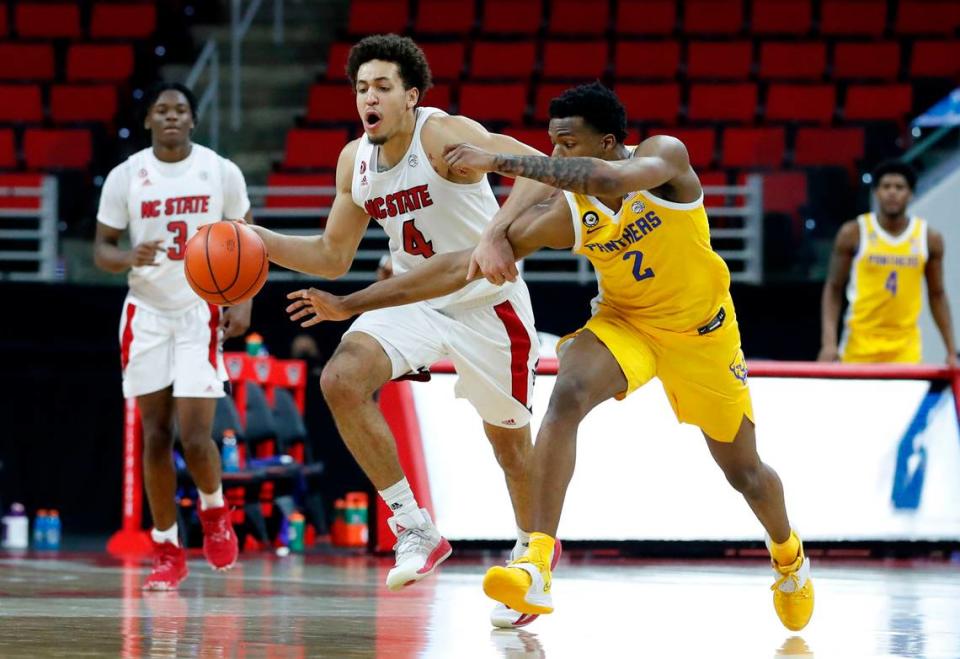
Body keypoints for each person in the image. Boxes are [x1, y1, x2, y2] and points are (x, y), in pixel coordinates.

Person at [286, 82, 815, 632]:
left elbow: (606, 179)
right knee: (567, 395)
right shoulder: (568, 214)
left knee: (746, 474)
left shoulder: (665, 158)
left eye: (568, 144)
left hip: (703, 336)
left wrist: (495, 160)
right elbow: (454, 268)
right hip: (626, 325)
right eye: (552, 144)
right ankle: (535, 562)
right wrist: (349, 302)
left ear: (609, 141)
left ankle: (789, 557)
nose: (556, 155)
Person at [248, 34, 559, 628]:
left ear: (411, 96)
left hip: (487, 305)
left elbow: (540, 170)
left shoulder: (442, 135)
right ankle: (413, 526)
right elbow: (332, 256)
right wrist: (256, 240)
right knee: (341, 377)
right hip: (415, 297)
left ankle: (532, 563)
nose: (369, 98)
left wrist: (496, 232)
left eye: (383, 87)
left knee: (510, 449)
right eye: (362, 88)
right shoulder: (354, 161)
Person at [94, 82, 250, 590]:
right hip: (145, 313)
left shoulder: (219, 170)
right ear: (148, 121)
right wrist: (126, 257)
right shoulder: (126, 176)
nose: (170, 117)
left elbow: (249, 240)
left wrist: (242, 299)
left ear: (193, 120)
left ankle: (213, 512)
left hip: (198, 310)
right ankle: (167, 547)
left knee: (196, 436)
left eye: (180, 110)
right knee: (155, 436)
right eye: (161, 110)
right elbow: (103, 249)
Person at [819, 159, 956, 365]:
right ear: (876, 192)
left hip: (905, 351)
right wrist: (829, 344)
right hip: (858, 347)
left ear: (910, 194)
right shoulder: (853, 232)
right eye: (886, 186)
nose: (892, 192)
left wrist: (951, 351)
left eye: (899, 187)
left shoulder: (928, 238)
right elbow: (834, 289)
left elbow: (937, 294)